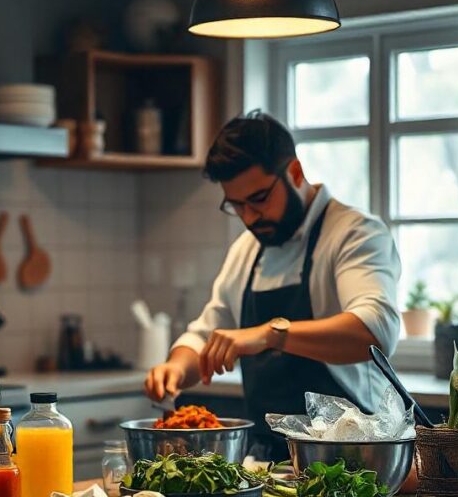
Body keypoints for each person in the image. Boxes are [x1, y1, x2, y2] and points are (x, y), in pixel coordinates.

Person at [144, 111, 402, 460]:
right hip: (271, 460)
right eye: (236, 205)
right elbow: (208, 333)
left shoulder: (354, 233)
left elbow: (376, 330)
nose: (249, 217)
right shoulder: (247, 250)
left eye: (260, 199)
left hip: (356, 457)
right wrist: (176, 367)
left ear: (294, 172)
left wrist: (270, 334)